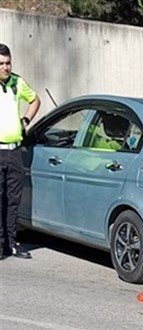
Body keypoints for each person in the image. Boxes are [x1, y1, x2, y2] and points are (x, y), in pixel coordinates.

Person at [0, 43, 40, 260]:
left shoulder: (18, 82)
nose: (5, 68)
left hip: (14, 151)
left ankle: (11, 242)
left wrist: (25, 120)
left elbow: (35, 100)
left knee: (13, 199)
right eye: (1, 64)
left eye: (8, 63)